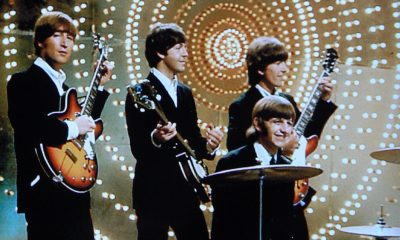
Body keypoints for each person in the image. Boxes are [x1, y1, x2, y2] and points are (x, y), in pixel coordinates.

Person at [7, 11, 113, 240]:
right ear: (39, 41)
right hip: (44, 193)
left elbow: (81, 124)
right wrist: (73, 128)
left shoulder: (67, 90)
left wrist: (100, 87)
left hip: (74, 191)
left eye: (71, 38)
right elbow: (29, 125)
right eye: (57, 35)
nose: (65, 43)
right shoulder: (22, 82)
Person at [225, 36, 337, 239]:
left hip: (289, 189)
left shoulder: (286, 100)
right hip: (259, 197)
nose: (285, 69)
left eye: (285, 62)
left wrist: (323, 102)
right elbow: (236, 150)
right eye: (278, 63)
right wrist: (279, 151)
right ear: (260, 69)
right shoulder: (242, 104)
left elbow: (304, 137)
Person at [125, 23, 223, 240]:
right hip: (153, 190)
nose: (186, 54)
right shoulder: (139, 92)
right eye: (179, 48)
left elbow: (193, 141)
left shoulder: (184, 92)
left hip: (185, 188)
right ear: (160, 52)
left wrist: (209, 145)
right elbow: (137, 148)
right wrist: (156, 138)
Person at [211, 96, 299, 240]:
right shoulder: (232, 162)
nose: (284, 130)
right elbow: (224, 220)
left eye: (289, 123)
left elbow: (284, 220)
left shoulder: (286, 166)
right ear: (257, 123)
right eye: (277, 122)